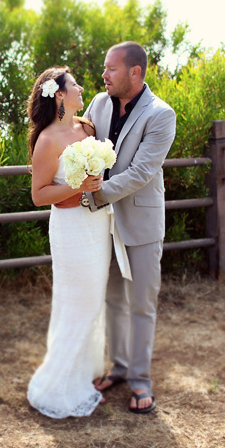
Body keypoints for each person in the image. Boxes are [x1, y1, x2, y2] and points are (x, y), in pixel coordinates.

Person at [83, 41, 176, 414]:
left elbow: (141, 172)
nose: (103, 75)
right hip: (99, 224)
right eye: (105, 69)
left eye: (111, 69)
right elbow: (83, 147)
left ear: (135, 73)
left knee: (141, 305)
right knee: (112, 300)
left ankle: (140, 380)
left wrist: (98, 192)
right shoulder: (98, 103)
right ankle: (119, 368)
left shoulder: (161, 114)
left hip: (140, 221)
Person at [26, 66, 112, 419]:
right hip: (70, 230)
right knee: (76, 303)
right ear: (59, 94)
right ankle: (58, 384)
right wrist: (78, 187)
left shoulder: (88, 128)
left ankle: (85, 373)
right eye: (74, 85)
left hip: (96, 226)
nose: (81, 89)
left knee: (94, 301)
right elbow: (39, 195)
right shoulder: (47, 140)